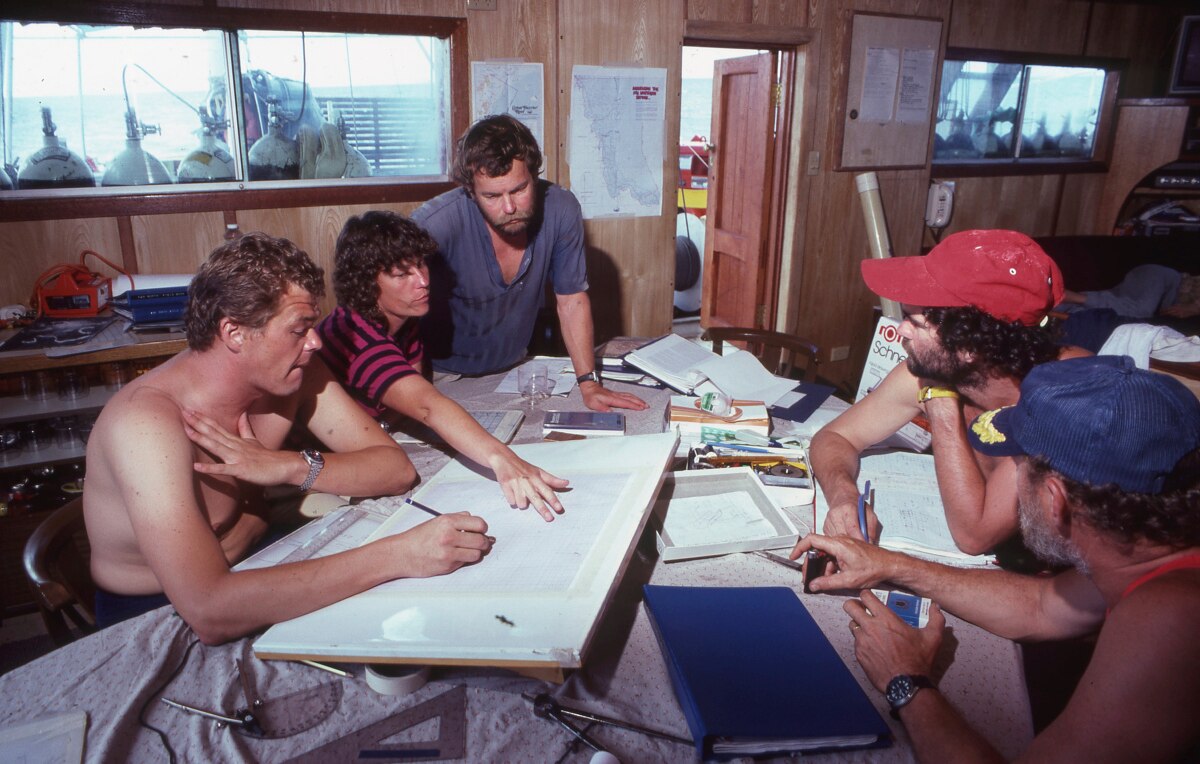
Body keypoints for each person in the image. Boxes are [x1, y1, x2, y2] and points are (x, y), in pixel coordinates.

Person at [83, 233, 493, 644]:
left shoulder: (291, 370)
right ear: (235, 332)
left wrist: (289, 466)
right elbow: (211, 610)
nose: (315, 342)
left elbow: (395, 469)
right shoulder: (146, 426)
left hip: (258, 560)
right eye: (299, 328)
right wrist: (399, 555)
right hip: (157, 615)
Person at [792, 355, 1200, 763]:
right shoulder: (1147, 554)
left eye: (1017, 467)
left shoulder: (1171, 617)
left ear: (1055, 500)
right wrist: (890, 564)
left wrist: (906, 681)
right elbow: (1041, 607)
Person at [811, 229, 1089, 554]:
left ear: (970, 344)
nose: (900, 330)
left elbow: (975, 536)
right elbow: (833, 438)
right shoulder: (945, 365)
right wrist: (844, 495)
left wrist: (940, 401)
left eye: (914, 321)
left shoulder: (1061, 394)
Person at [317, 210, 568, 520]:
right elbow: (427, 406)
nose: (423, 281)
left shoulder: (401, 319)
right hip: (325, 473)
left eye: (420, 264)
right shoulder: (355, 337)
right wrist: (502, 460)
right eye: (401, 274)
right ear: (366, 283)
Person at [411, 114, 647, 414]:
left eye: (519, 190)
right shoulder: (433, 225)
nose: (509, 207)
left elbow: (571, 300)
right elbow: (392, 313)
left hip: (514, 369)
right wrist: (412, 392)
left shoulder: (561, 209)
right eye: (492, 196)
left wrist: (589, 383)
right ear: (471, 191)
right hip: (439, 376)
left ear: (534, 175)